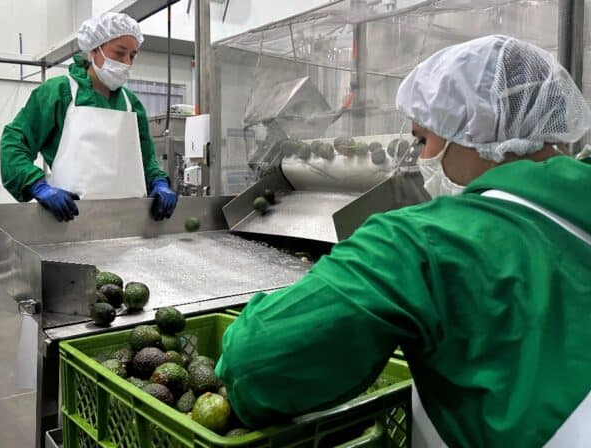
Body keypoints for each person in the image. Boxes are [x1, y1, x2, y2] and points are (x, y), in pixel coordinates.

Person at [216, 35, 591, 447]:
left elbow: (256, 365)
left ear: (475, 127)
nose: (421, 159)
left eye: (422, 139)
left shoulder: (425, 240)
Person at [0, 12, 177, 222]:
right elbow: (14, 142)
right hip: (69, 221)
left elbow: (146, 158)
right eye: (120, 53)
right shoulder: (60, 92)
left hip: (129, 224)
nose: (126, 63)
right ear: (95, 49)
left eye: (132, 55)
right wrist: (38, 185)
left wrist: (158, 182)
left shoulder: (131, 104)